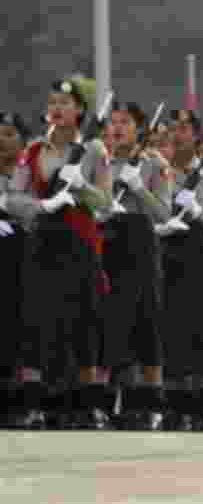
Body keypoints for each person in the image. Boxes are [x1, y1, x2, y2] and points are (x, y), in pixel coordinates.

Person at [13, 80, 114, 429]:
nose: (57, 108)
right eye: (52, 101)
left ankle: (87, 407)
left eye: (66, 102)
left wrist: (83, 185)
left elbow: (106, 202)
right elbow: (13, 197)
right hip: (44, 242)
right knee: (38, 322)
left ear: (80, 112)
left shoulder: (94, 150)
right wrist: (42, 204)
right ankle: (35, 405)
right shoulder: (34, 151)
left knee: (85, 322)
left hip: (80, 243)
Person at [99, 101, 173, 430]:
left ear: (139, 129)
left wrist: (139, 187)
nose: (117, 128)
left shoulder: (155, 164)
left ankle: (151, 404)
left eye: (125, 122)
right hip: (106, 240)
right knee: (109, 322)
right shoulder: (97, 161)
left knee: (146, 325)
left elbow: (163, 213)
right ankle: (112, 401)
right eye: (113, 122)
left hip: (140, 243)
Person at [161, 109, 203, 431]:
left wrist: (199, 211)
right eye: (173, 128)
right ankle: (173, 406)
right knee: (170, 329)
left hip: (199, 256)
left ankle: (202, 407)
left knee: (201, 330)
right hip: (165, 252)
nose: (177, 134)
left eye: (185, 128)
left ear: (198, 135)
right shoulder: (157, 169)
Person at [0, 112, 30, 427]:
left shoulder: (28, 177)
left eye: (9, 134)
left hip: (24, 259)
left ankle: (20, 403)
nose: (2, 140)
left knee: (19, 328)